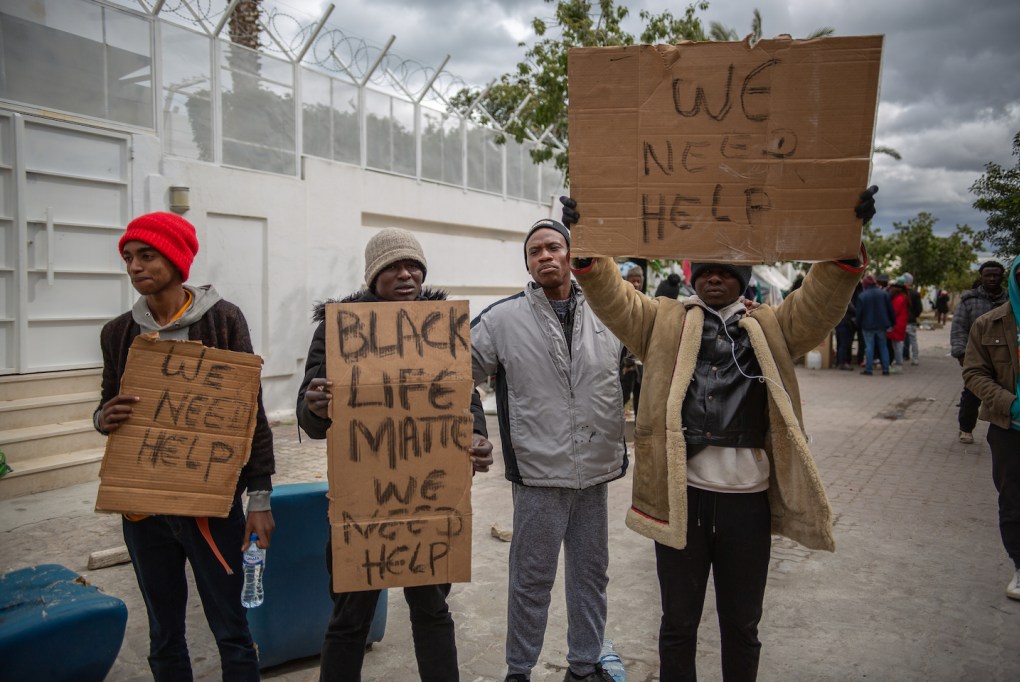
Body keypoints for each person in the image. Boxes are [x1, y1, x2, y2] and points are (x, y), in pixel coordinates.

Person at [560, 188, 876, 681]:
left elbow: (818, 301)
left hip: (746, 507)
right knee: (678, 624)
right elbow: (613, 296)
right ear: (691, 275)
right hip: (679, 502)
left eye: (727, 269)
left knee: (743, 625)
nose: (714, 276)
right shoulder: (661, 320)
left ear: (744, 278)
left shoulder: (774, 326)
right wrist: (589, 246)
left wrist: (843, 241)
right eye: (705, 268)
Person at [296, 228, 494, 681]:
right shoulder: (338, 329)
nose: (406, 274)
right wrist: (315, 405)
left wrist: (476, 436)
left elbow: (465, 397)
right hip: (362, 501)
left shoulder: (442, 328)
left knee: (432, 610)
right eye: (392, 267)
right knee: (349, 619)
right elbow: (312, 421)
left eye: (413, 266)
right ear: (373, 276)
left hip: (428, 498)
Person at [94, 212, 274, 681]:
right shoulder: (117, 333)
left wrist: (259, 499)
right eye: (129, 258)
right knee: (164, 633)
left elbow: (249, 414)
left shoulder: (223, 320)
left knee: (232, 630)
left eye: (146, 255)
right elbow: (105, 406)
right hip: (142, 511)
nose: (134, 266)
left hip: (209, 510)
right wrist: (103, 418)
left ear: (176, 258)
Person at [470, 218, 627, 682]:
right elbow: (451, 373)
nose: (545, 256)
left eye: (553, 247)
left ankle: (583, 666)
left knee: (590, 578)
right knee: (531, 581)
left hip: (594, 473)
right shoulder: (501, 320)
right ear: (527, 262)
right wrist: (472, 428)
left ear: (570, 253)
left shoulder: (609, 312)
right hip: (539, 475)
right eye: (535, 250)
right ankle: (519, 671)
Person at [962, 251, 1020, 601]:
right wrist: (1011, 404)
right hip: (1010, 426)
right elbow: (973, 372)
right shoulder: (988, 322)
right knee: (1014, 499)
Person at [951, 261, 1009, 444]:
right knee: (971, 395)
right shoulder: (969, 301)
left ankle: (1005, 430)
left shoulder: (1010, 300)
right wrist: (961, 353)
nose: (992, 278)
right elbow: (959, 327)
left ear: (1002, 277)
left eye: (996, 275)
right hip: (977, 357)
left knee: (1005, 395)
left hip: (1005, 358)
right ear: (981, 277)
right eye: (988, 275)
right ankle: (966, 429)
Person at [856, 274, 896, 376]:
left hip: (867, 325)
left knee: (869, 347)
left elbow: (859, 313)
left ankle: (869, 369)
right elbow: (890, 310)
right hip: (882, 325)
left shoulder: (862, 296)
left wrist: (858, 324)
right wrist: (892, 322)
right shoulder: (884, 294)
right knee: (883, 346)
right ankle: (886, 369)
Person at [621, 266, 645, 418]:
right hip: (624, 363)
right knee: (621, 397)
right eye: (633, 280)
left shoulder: (644, 300)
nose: (636, 284)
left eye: (638, 281)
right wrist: (627, 362)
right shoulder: (620, 300)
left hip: (640, 364)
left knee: (640, 402)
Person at [887, 278, 909, 374]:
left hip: (897, 324)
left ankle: (899, 364)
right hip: (900, 323)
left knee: (897, 345)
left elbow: (894, 311)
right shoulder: (903, 297)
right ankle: (898, 363)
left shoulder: (899, 299)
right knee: (897, 345)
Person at [902, 272, 923, 365]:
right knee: (913, 341)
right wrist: (914, 315)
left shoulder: (902, 293)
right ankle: (915, 359)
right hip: (911, 321)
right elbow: (919, 308)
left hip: (902, 320)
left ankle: (900, 358)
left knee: (900, 341)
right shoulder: (915, 294)